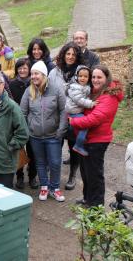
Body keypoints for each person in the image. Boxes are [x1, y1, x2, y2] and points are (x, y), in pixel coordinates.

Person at [70, 65, 123, 207]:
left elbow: (94, 119)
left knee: (95, 175)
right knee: (86, 173)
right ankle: (87, 199)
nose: (95, 80)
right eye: (93, 77)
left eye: (99, 77)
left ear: (106, 78)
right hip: (87, 139)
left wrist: (73, 121)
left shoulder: (109, 96)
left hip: (97, 141)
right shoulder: (94, 92)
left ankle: (96, 206)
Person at [20, 61, 68, 202]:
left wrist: (61, 130)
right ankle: (44, 186)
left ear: (44, 75)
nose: (33, 76)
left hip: (53, 135)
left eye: (37, 73)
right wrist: (27, 130)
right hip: (35, 136)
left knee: (54, 162)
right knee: (40, 162)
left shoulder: (56, 89)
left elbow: (64, 110)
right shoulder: (28, 91)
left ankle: (55, 188)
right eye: (32, 73)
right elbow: (22, 113)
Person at [48, 42, 84, 190]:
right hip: (57, 115)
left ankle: (72, 175)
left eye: (73, 55)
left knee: (73, 146)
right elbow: (48, 90)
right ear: (63, 54)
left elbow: (86, 90)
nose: (70, 57)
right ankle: (53, 171)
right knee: (56, 143)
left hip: (74, 116)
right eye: (68, 54)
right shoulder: (55, 71)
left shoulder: (81, 72)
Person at [9, 58, 38, 190]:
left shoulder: (35, 84)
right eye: (19, 68)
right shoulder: (11, 84)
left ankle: (32, 176)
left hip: (32, 123)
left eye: (25, 68)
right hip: (16, 123)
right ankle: (19, 176)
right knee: (18, 151)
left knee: (33, 152)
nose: (22, 70)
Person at [65, 65, 96, 157]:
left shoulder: (85, 86)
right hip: (73, 112)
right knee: (85, 124)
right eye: (80, 76)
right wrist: (91, 103)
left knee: (80, 127)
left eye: (85, 76)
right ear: (76, 77)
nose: (82, 78)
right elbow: (79, 100)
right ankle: (78, 145)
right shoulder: (75, 87)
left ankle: (81, 139)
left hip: (77, 111)